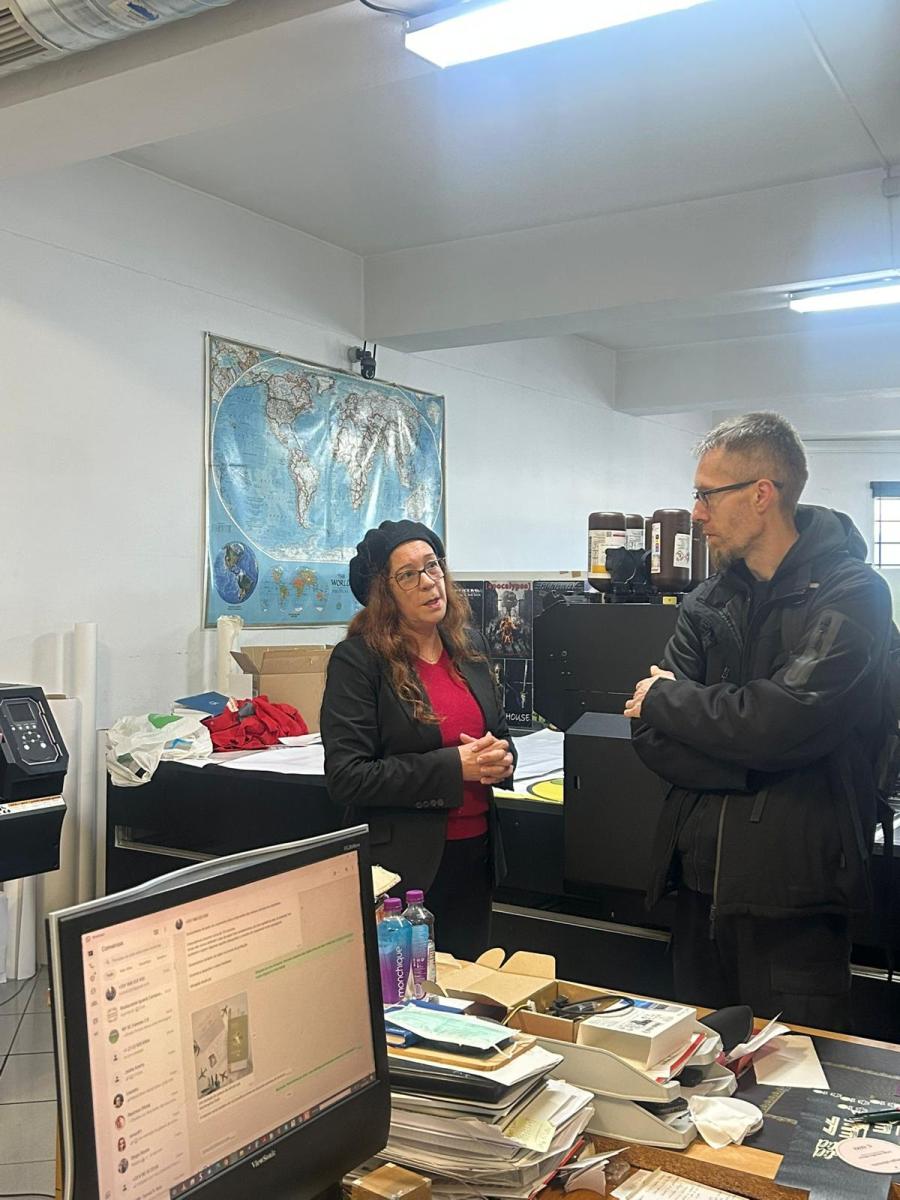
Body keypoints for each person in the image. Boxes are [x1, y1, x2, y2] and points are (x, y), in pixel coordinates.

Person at [625, 411, 892, 1031]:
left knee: (791, 1077)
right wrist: (760, 762)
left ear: (761, 494)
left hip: (795, 900)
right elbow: (650, 735)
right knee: (695, 1073)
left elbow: (784, 719)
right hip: (697, 892)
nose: (696, 513)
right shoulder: (707, 600)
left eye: (706, 495)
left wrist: (670, 702)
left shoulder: (853, 595)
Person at [321, 519, 515, 960]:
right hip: (405, 869)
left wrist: (502, 758)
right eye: (408, 575)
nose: (429, 582)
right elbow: (348, 777)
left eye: (433, 566)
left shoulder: (468, 646)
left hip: (476, 856)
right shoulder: (359, 661)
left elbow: (498, 734)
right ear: (383, 593)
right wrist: (454, 766)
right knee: (409, 990)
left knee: (470, 985)